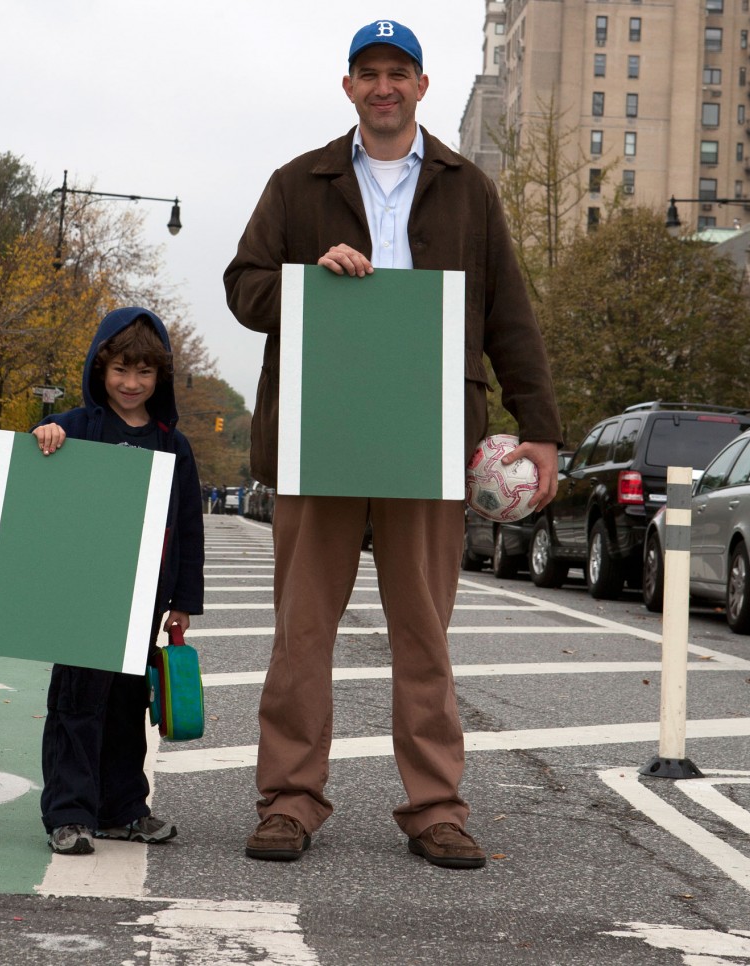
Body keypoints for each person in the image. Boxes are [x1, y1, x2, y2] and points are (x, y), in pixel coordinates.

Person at [223, 20, 562, 869]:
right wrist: (308, 280)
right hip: (321, 432)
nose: (383, 87)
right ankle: (289, 803)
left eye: (397, 73)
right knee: (302, 633)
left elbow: (508, 317)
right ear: (348, 88)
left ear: (421, 85)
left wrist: (545, 431)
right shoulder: (297, 183)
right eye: (368, 74)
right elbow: (242, 287)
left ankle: (436, 808)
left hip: (429, 432)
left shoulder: (468, 189)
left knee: (424, 636)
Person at [31, 307, 205, 855]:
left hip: (142, 600)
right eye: (120, 371)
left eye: (145, 373)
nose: (131, 384)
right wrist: (46, 432)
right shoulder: (77, 429)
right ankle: (69, 813)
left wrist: (184, 601)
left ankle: (124, 808)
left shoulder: (170, 443)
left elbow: (190, 525)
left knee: (129, 707)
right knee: (76, 706)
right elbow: (36, 469)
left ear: (161, 378)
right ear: (100, 368)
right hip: (81, 597)